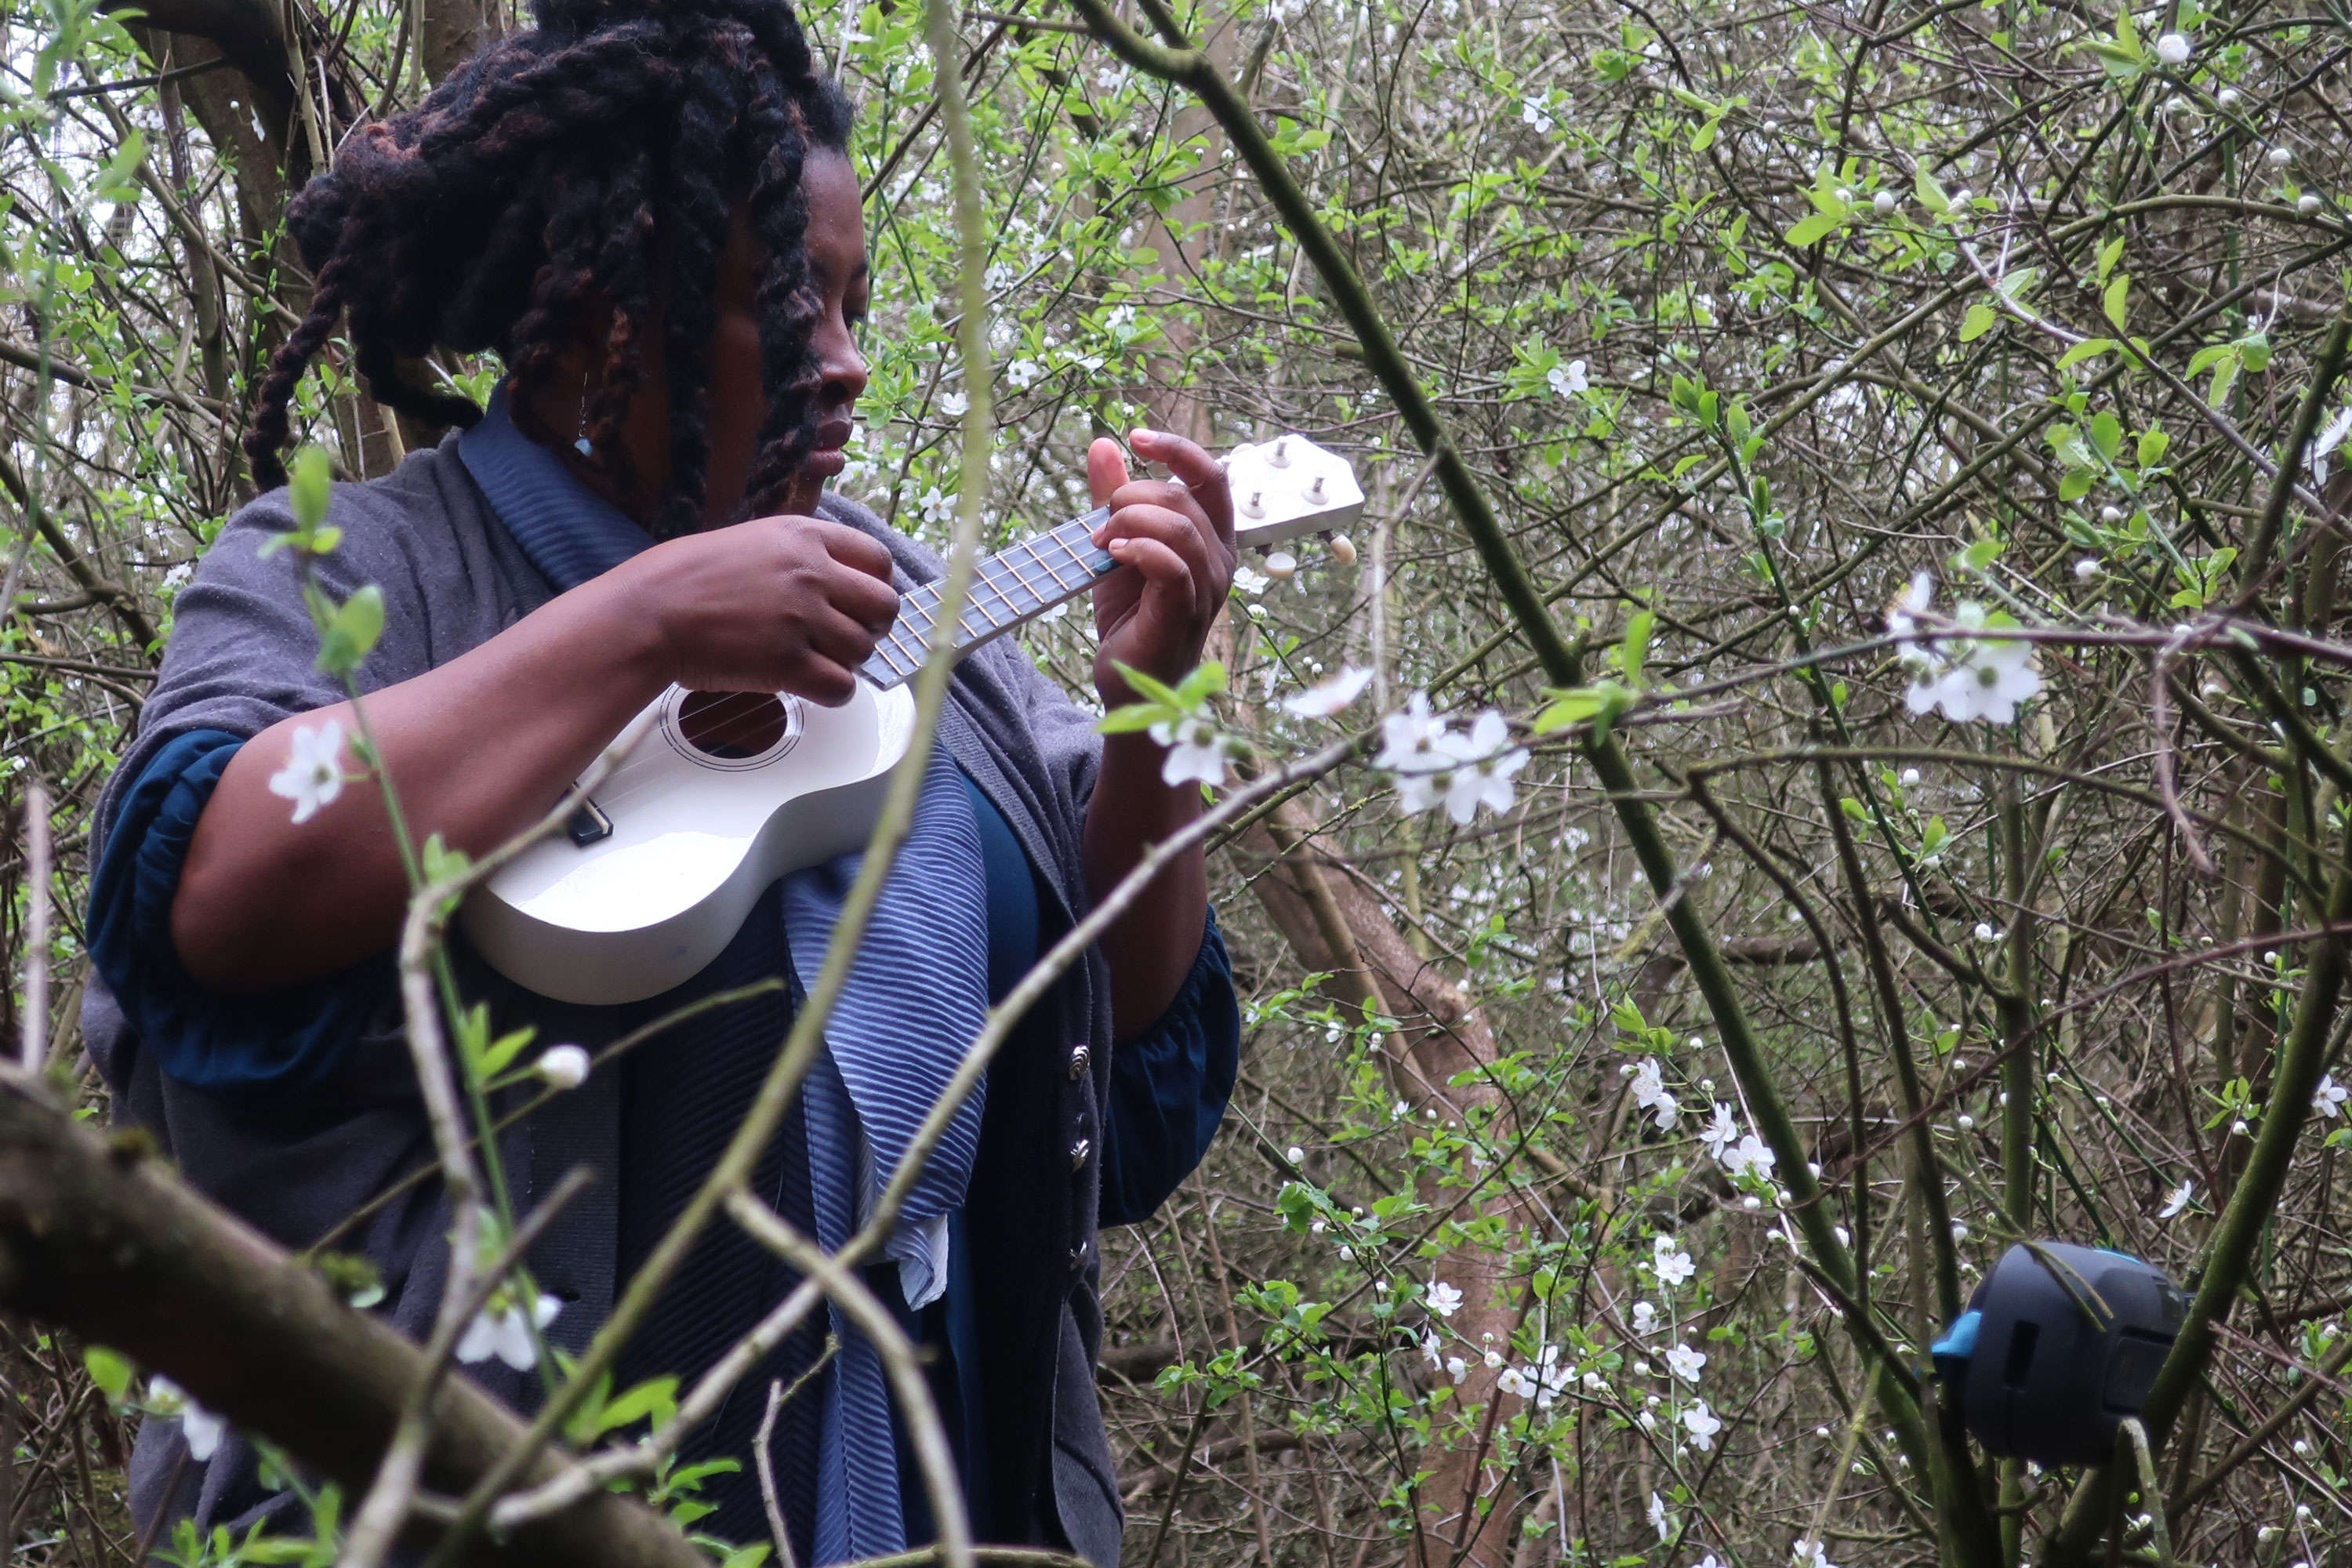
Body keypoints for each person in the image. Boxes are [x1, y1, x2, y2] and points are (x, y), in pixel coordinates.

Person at [81, 1, 1240, 1561]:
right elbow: (211, 892)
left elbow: (1124, 1042)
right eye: (790, 304)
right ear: (594, 324)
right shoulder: (366, 570)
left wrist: (1153, 708)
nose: (848, 368)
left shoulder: (911, 609)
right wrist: (643, 621)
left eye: (859, 305)